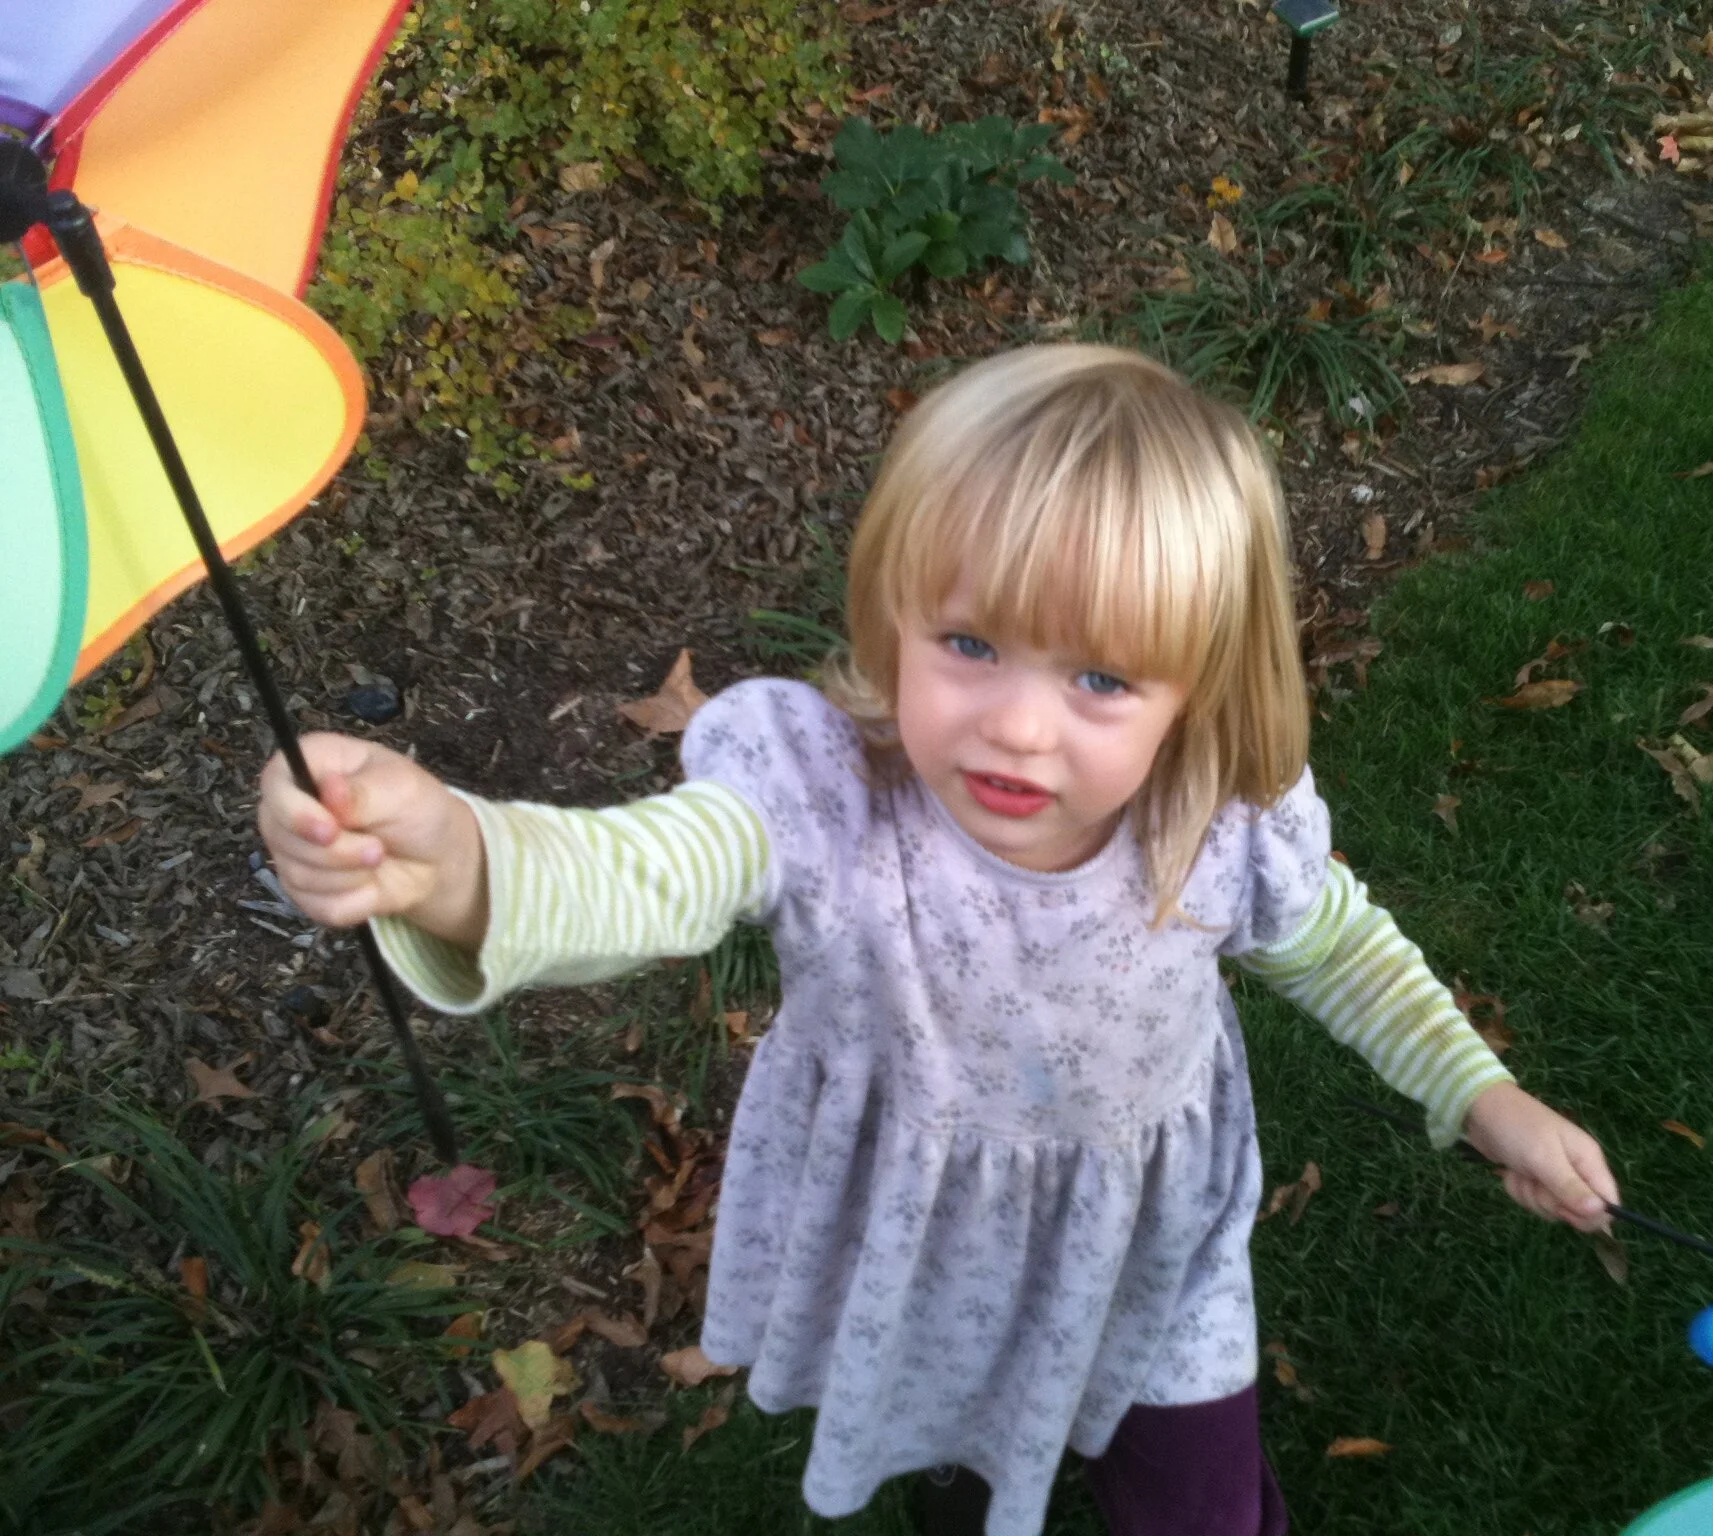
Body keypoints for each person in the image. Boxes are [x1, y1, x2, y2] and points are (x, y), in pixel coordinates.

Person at [258, 345, 1619, 1536]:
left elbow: (1341, 950)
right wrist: (462, 862)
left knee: (1199, 1505)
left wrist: (1480, 1092)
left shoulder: (1214, 827)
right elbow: (648, 873)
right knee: (963, 1458)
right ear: (892, 615)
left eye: (1099, 677)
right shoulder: (819, 798)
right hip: (932, 1245)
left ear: (1198, 689)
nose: (1019, 726)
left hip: (1153, 1241)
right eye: (969, 643)